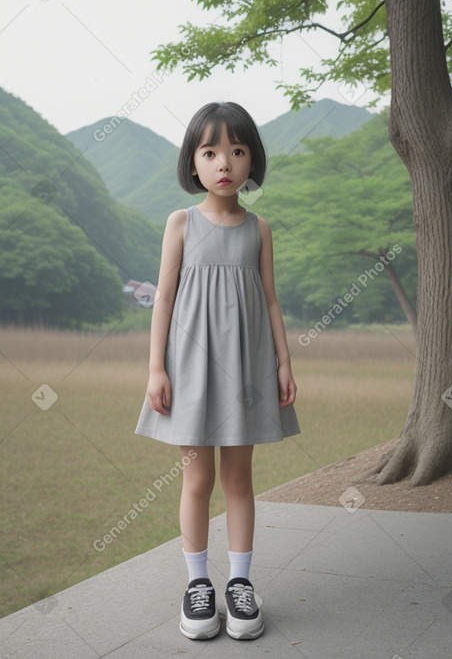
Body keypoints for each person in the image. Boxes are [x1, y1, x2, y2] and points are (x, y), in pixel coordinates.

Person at [135, 101, 300, 641]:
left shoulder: (260, 228)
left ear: (252, 160)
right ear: (194, 163)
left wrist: (283, 361)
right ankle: (198, 584)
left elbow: (271, 301)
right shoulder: (180, 223)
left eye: (236, 150)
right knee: (197, 477)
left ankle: (242, 585)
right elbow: (163, 298)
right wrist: (156, 367)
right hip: (190, 370)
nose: (224, 162)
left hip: (248, 371)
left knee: (238, 478)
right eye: (210, 152)